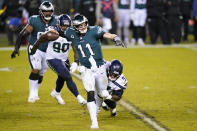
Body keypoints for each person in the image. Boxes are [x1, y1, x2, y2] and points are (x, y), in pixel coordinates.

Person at [61, 14, 126, 129]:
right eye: (79, 25)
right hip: (86, 69)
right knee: (90, 92)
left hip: (100, 68)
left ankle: (97, 110)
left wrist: (115, 38)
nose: (82, 26)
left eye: (84, 24)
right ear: (75, 26)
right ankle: (94, 121)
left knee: (101, 94)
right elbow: (60, 31)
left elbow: (107, 34)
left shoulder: (94, 30)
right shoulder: (71, 33)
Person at [30, 14, 87, 105]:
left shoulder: (72, 33)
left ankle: (56, 93)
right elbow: (42, 38)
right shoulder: (53, 31)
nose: (65, 28)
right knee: (67, 76)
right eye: (63, 25)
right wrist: (34, 48)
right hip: (52, 58)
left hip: (64, 59)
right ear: (58, 24)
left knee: (62, 77)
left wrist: (76, 62)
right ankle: (79, 98)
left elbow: (75, 49)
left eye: (67, 26)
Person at [11, 1, 57, 103]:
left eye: (50, 11)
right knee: (36, 68)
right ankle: (31, 94)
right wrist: (16, 48)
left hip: (48, 50)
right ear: (41, 12)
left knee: (41, 73)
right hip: (34, 48)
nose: (48, 13)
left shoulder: (56, 21)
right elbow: (22, 34)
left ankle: (35, 92)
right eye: (45, 11)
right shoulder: (34, 20)